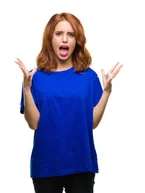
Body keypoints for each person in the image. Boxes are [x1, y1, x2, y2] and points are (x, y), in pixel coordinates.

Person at [17, 12, 123, 193]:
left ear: (77, 41)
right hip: (46, 165)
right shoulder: (35, 77)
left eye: (71, 34)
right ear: (50, 38)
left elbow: (92, 123)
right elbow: (33, 123)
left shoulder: (89, 77)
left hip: (81, 163)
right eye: (59, 34)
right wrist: (27, 89)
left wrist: (106, 93)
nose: (65, 39)